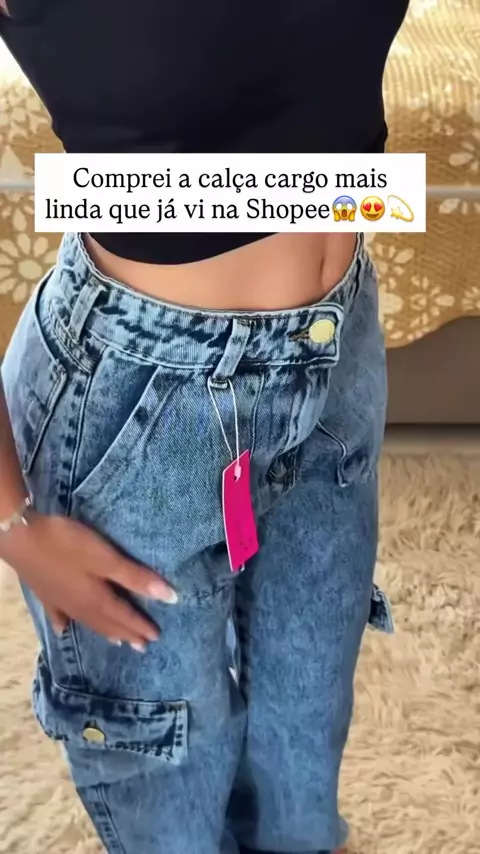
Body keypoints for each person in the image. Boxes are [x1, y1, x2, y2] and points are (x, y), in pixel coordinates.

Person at [0, 1, 407, 852]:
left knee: (305, 752)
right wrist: (10, 522)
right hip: (138, 410)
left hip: (338, 352)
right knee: (171, 793)